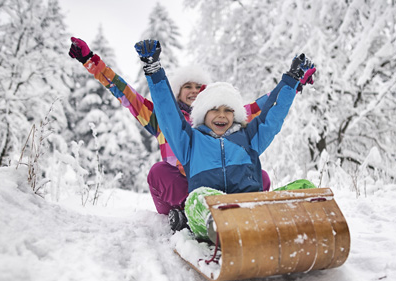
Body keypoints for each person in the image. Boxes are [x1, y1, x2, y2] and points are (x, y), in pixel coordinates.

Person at [68, 37, 291, 221]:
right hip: (183, 189)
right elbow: (125, 93)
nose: (194, 91)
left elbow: (265, 108)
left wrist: (293, 84)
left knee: (260, 175)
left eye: (199, 87)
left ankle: (242, 213)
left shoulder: (224, 116)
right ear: (177, 91)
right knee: (158, 172)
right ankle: (189, 215)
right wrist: (91, 62)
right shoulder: (162, 118)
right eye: (188, 87)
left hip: (225, 185)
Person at [135, 39, 316, 240]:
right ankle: (222, 230)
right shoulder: (190, 143)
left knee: (303, 187)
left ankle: (309, 227)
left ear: (236, 114)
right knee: (196, 199)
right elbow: (168, 113)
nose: (221, 115)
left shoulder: (249, 138)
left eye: (228, 110)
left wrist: (291, 80)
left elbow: (273, 114)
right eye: (214, 110)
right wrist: (154, 70)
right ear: (203, 114)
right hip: (212, 214)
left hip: (251, 211)